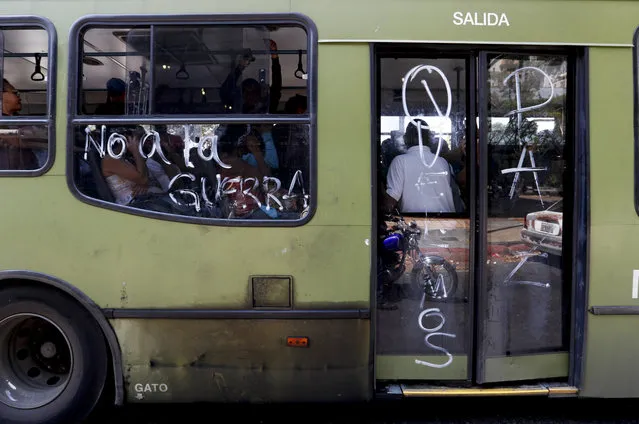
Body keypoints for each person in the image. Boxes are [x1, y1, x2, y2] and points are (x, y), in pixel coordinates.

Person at [383, 119, 457, 214]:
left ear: (405, 139)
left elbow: (390, 203)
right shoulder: (443, 162)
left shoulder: (400, 161)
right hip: (447, 223)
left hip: (417, 224)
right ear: (429, 139)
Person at [219, 39, 282, 114]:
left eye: (254, 93)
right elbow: (225, 91)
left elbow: (276, 87)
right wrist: (274, 56)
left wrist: (240, 67)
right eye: (247, 93)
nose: (251, 97)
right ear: (243, 95)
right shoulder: (238, 108)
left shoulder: (266, 108)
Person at [0, 79, 48, 169]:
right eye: (15, 93)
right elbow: (16, 139)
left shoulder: (19, 119)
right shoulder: (3, 122)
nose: (19, 97)